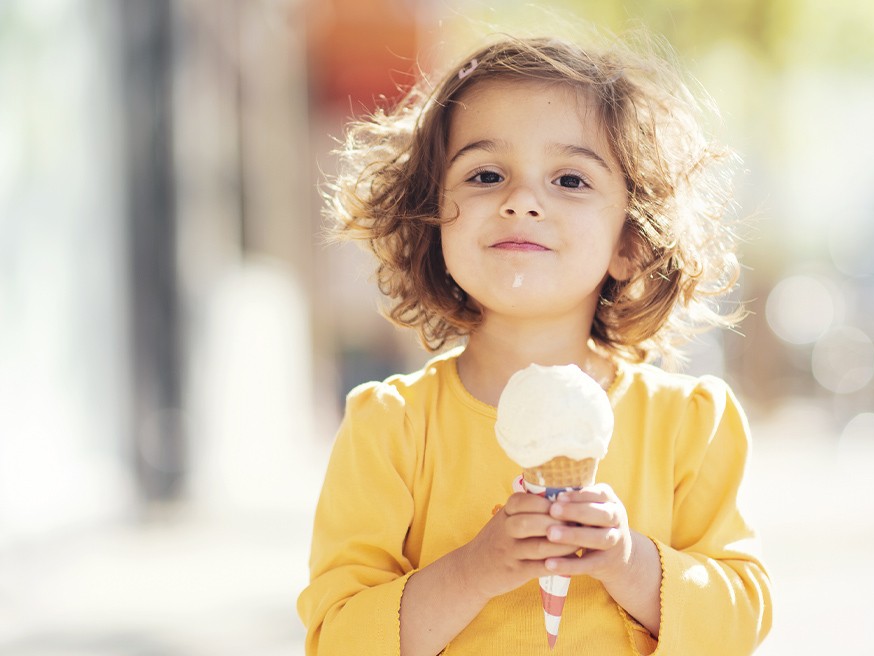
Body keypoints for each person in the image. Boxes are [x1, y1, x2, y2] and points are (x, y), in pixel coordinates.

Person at [298, 32, 773, 656]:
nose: (522, 201)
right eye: (486, 174)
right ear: (431, 220)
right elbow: (337, 639)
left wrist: (630, 562)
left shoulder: (689, 425)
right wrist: (473, 570)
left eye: (570, 180)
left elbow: (740, 620)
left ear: (630, 242)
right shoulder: (392, 427)